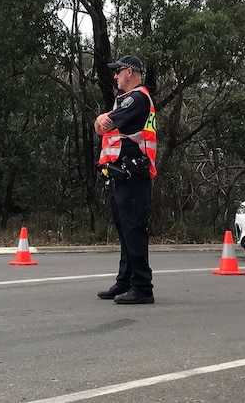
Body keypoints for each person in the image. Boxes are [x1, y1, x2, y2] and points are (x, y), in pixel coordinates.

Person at [94, 55, 158, 305]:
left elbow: (107, 125)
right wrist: (99, 121)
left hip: (133, 173)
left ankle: (142, 286)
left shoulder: (137, 97)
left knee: (133, 230)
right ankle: (126, 281)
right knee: (125, 231)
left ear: (129, 72)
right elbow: (102, 127)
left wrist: (101, 120)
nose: (115, 76)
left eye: (118, 71)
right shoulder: (125, 100)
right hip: (121, 173)